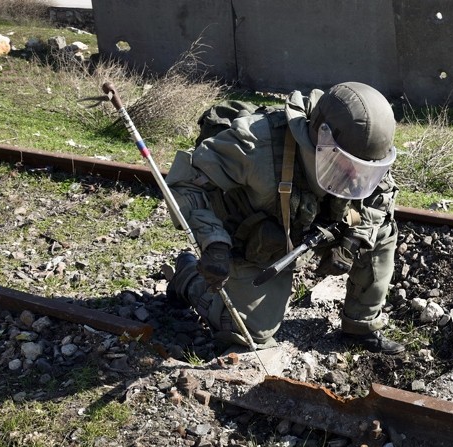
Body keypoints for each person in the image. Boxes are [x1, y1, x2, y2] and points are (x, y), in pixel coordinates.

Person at [164, 81, 405, 355]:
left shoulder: (363, 150)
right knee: (252, 333)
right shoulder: (255, 144)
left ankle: (361, 326)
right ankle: (187, 277)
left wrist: (351, 243)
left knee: (381, 231)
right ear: (321, 138)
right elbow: (186, 184)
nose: (353, 175)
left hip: (316, 224)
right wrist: (214, 243)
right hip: (259, 238)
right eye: (345, 165)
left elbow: (379, 199)